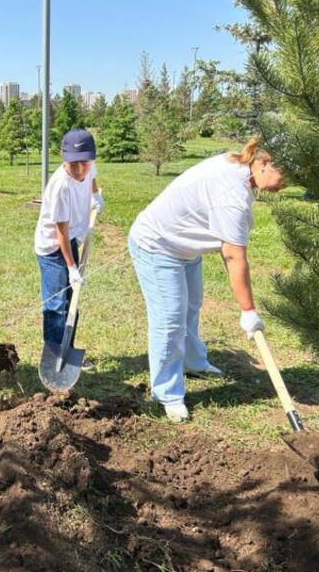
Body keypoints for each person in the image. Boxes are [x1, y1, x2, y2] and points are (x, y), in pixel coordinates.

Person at [128, 137, 285, 423]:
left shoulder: (240, 168)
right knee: (170, 318)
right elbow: (234, 256)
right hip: (158, 245)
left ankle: (192, 362)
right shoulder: (232, 195)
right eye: (284, 175)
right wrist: (248, 311)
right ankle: (166, 393)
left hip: (184, 246)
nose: (286, 184)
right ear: (263, 163)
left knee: (191, 307)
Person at [34, 129, 104, 353]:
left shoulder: (89, 166)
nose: (80, 169)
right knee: (57, 305)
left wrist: (95, 196)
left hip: (70, 239)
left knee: (73, 300)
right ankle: (55, 355)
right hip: (52, 247)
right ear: (65, 159)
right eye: (74, 164)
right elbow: (60, 232)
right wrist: (72, 268)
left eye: (84, 163)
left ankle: (68, 350)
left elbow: (92, 179)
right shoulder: (61, 187)